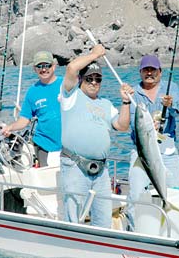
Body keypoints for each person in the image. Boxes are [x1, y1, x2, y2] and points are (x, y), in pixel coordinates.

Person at [60, 44, 134, 228]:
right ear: (81, 80)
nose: (94, 82)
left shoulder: (106, 104)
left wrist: (125, 101)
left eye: (97, 79)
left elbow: (122, 126)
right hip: (75, 166)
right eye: (89, 78)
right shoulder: (70, 96)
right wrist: (94, 55)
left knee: (103, 220)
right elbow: (71, 68)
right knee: (73, 220)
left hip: (101, 171)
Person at [127, 54, 179, 230]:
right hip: (142, 151)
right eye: (146, 70)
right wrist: (148, 126)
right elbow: (132, 122)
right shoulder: (133, 93)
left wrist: (171, 104)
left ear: (160, 71)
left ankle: (175, 229)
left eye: (153, 70)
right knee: (135, 194)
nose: (149, 73)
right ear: (140, 72)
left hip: (167, 150)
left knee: (176, 192)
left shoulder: (170, 88)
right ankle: (132, 232)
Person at [1, 51, 62, 167]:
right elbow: (24, 120)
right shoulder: (32, 92)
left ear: (53, 66)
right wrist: (10, 127)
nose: (43, 69)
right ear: (35, 69)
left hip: (68, 146)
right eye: (39, 66)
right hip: (44, 145)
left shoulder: (65, 84)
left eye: (47, 65)